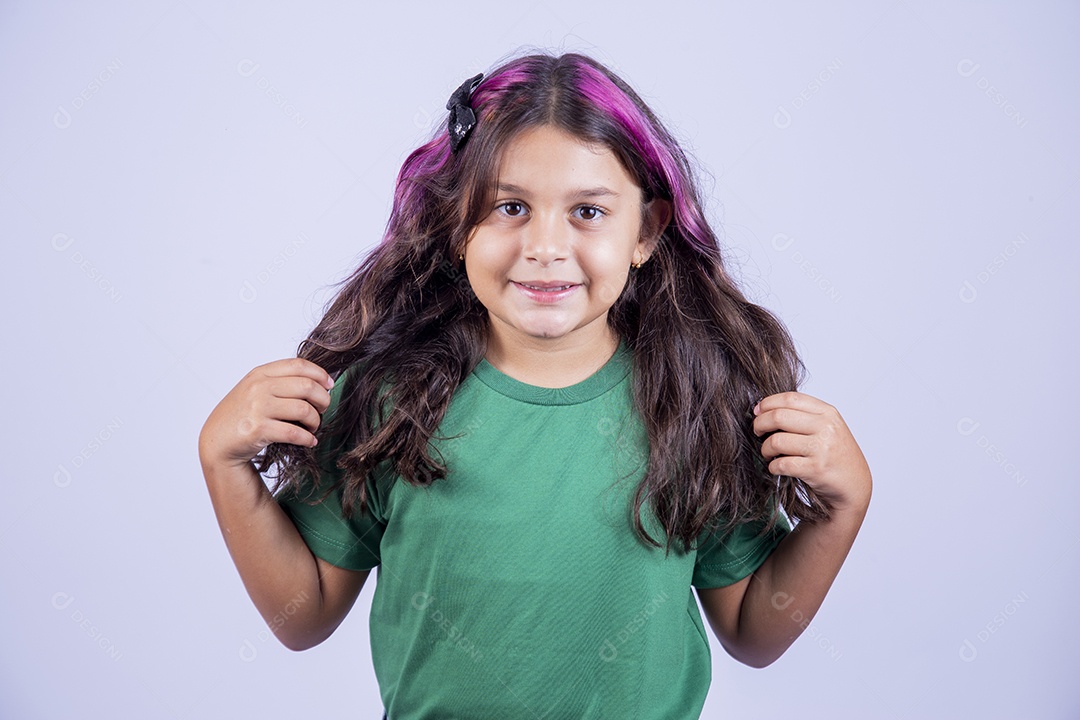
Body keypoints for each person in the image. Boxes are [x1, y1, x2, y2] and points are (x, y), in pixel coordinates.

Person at [198, 49, 872, 720]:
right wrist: (222, 462)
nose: (545, 246)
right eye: (510, 206)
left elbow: (754, 632)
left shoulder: (691, 405)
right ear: (456, 221)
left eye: (588, 212)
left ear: (647, 230)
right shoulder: (389, 398)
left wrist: (844, 508)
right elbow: (303, 614)